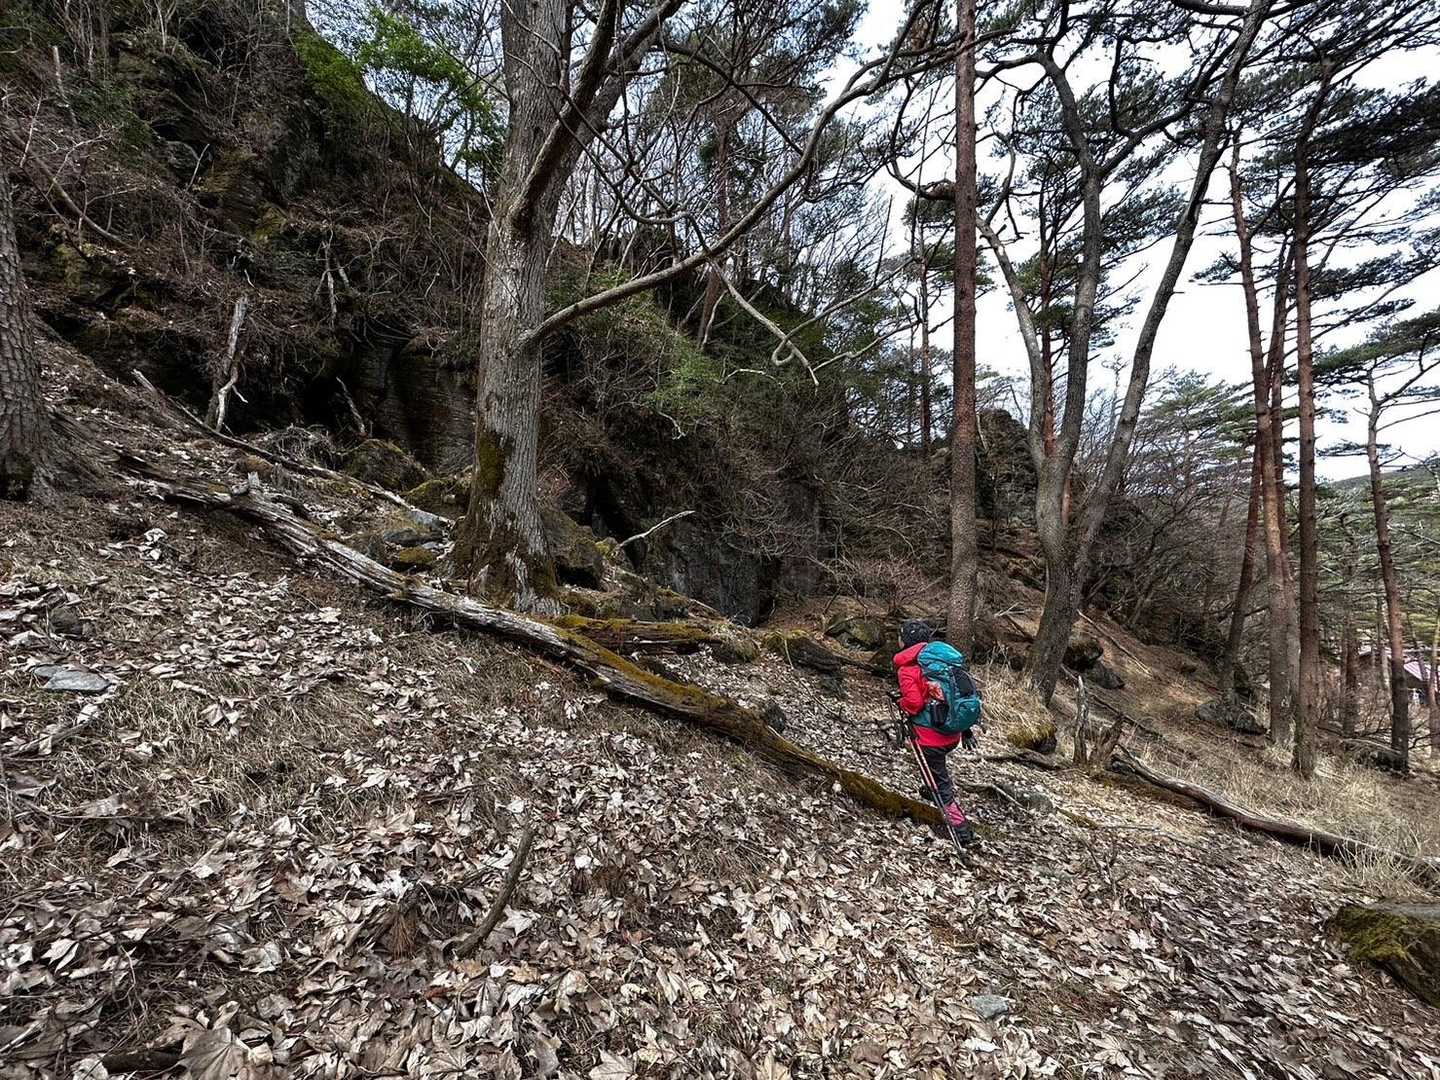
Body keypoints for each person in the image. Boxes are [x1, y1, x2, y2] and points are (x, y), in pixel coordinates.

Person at [894, 619, 975, 843]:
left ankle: (959, 829)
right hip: (951, 733)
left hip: (929, 738)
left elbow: (914, 704)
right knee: (936, 773)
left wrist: (901, 702)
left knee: (941, 783)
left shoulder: (908, 669)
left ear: (905, 642)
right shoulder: (942, 662)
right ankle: (933, 791)